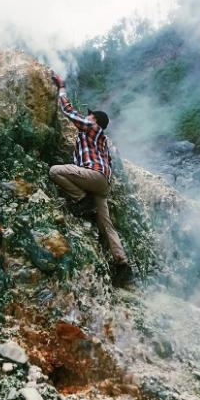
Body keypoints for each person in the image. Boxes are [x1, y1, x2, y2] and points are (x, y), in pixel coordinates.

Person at [48, 73, 132, 287]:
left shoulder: (93, 129)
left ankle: (81, 200)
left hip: (93, 176)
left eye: (91, 116)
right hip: (102, 183)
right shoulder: (100, 142)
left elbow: (67, 110)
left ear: (95, 121)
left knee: (55, 171)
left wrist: (62, 87)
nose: (88, 118)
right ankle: (123, 265)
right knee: (107, 225)